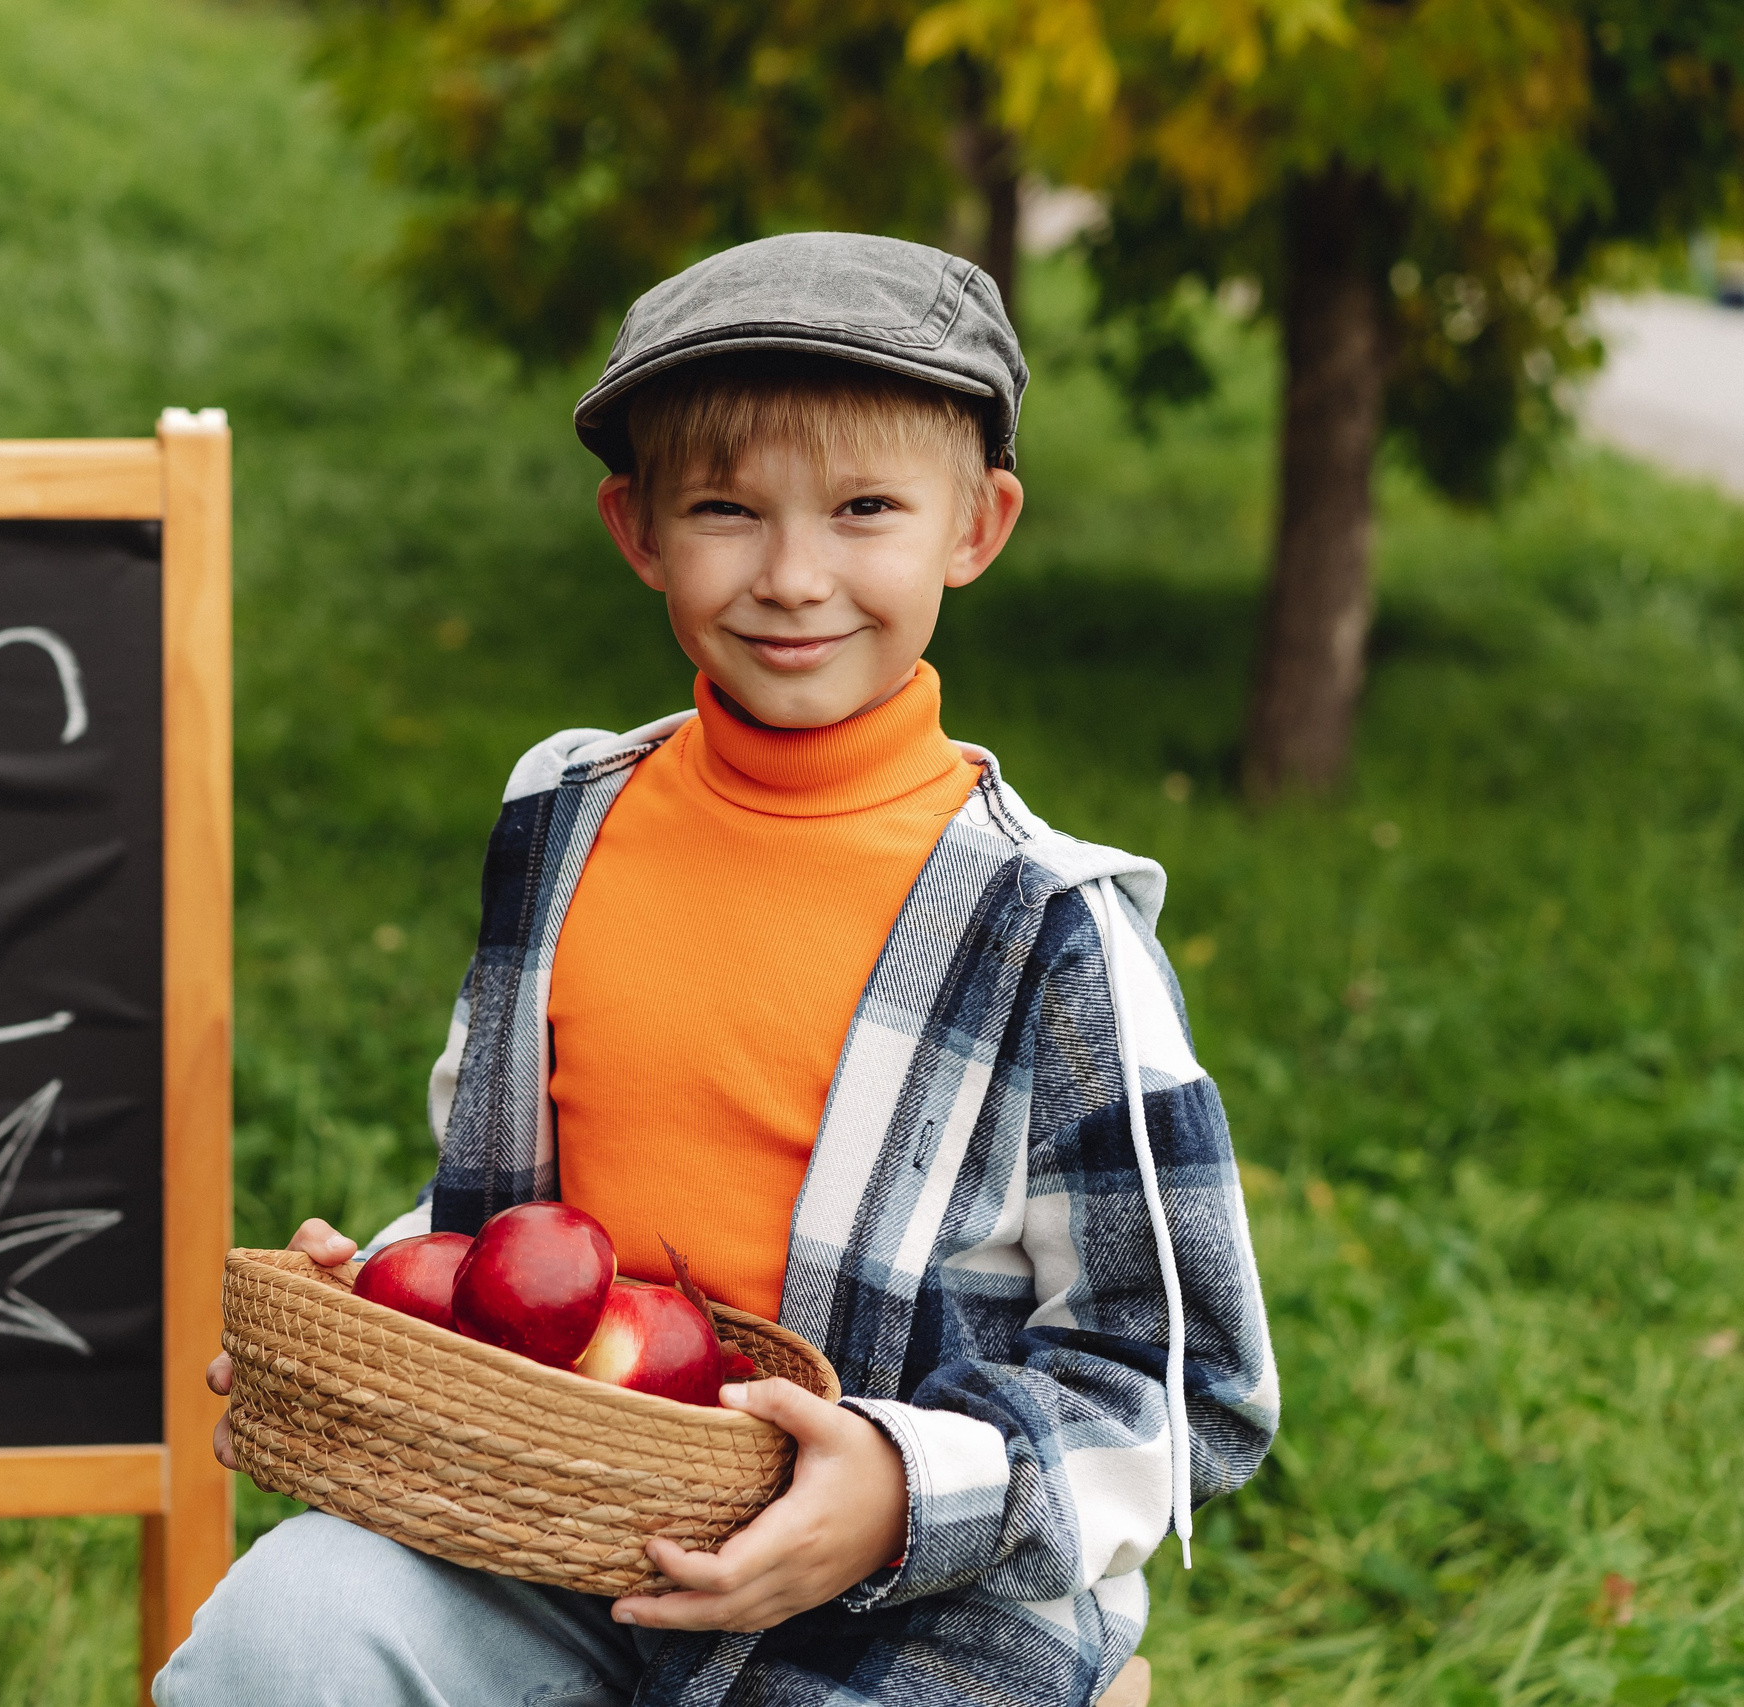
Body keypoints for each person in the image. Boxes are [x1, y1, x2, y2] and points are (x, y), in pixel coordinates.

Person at [157, 232, 1278, 1707]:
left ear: (976, 527)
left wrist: (892, 1493)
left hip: (898, 1621)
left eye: (866, 508)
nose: (795, 575)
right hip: (546, 1532)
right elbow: (504, 1213)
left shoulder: (1048, 931)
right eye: (726, 510)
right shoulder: (565, 822)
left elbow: (1182, 1390)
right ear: (638, 530)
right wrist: (379, 1316)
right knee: (277, 1643)